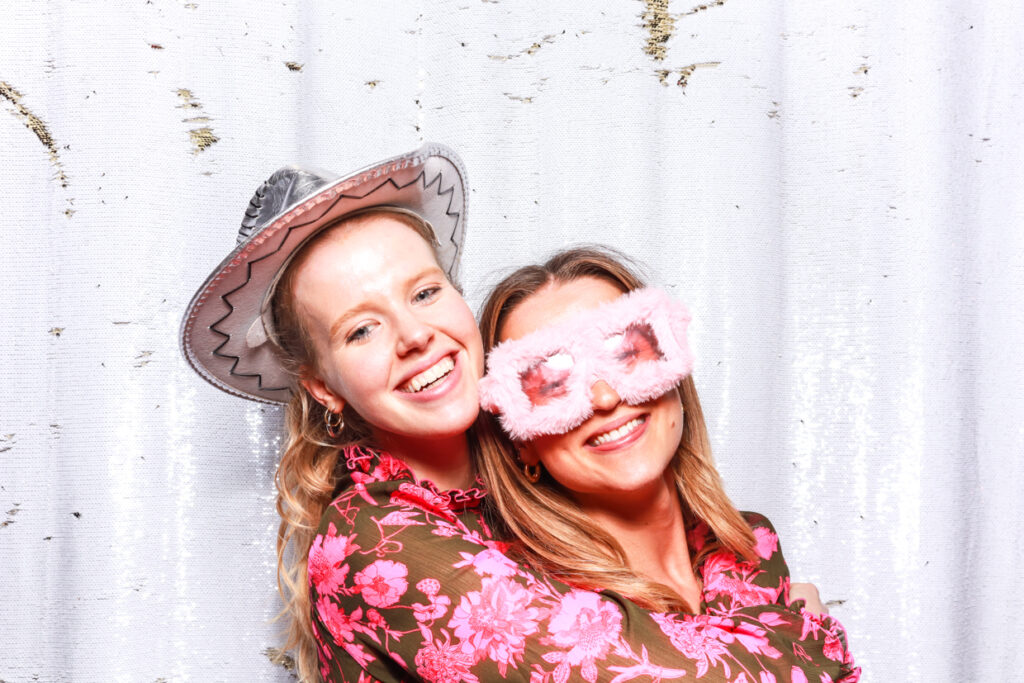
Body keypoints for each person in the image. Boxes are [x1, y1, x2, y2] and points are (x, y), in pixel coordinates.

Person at [181, 145, 856, 681]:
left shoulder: (540, 481)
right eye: (361, 329)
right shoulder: (370, 542)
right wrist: (807, 630)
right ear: (322, 387)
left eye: (422, 292)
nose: (414, 335)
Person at [475, 247, 858, 676]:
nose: (605, 397)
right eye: (552, 384)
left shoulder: (751, 544)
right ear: (520, 442)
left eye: (624, 355)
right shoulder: (532, 600)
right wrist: (807, 638)